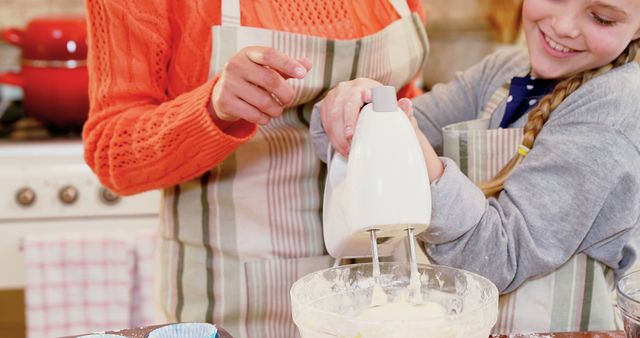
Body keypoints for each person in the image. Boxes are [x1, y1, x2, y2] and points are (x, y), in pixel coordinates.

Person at [82, 1, 428, 337]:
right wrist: (214, 107)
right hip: (235, 300)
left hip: (388, 288)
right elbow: (112, 152)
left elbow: (409, 102)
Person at [312, 0, 640, 334]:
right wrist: (353, 109)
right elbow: (364, 147)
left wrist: (425, 164)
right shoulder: (502, 72)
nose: (564, 26)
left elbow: (500, 258)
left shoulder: (613, 108)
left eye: (602, 18)